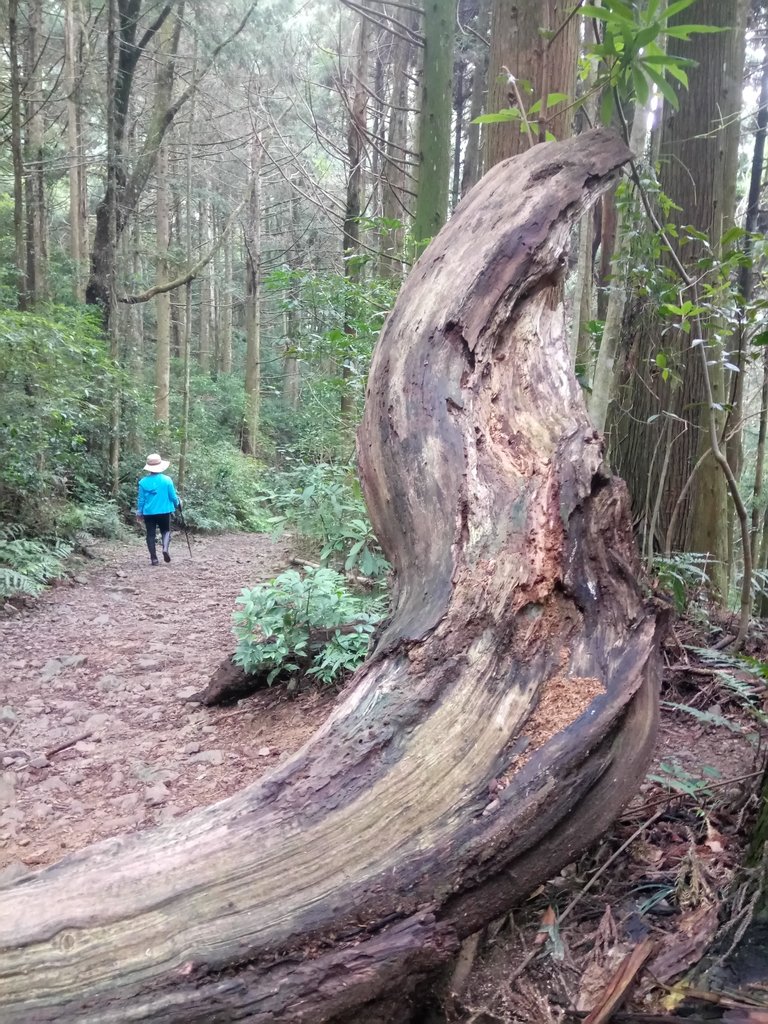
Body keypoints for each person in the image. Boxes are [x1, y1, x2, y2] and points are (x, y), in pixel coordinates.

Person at [136, 453, 181, 566]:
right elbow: (172, 496)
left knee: (150, 534)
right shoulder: (167, 480)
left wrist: (139, 512)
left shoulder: (143, 482)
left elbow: (141, 500)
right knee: (165, 530)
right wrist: (177, 504)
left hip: (149, 512)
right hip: (164, 511)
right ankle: (165, 548)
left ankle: (154, 559)